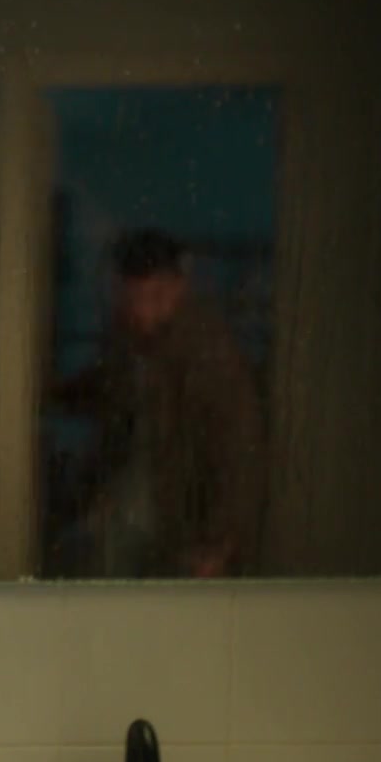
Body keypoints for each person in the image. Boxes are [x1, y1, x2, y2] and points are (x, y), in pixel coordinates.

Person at [48, 229, 266, 578]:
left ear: (177, 289)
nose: (140, 310)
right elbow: (109, 389)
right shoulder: (127, 341)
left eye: (153, 296)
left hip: (178, 521)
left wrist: (218, 542)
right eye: (131, 296)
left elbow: (237, 451)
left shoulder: (208, 354)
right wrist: (56, 394)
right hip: (128, 512)